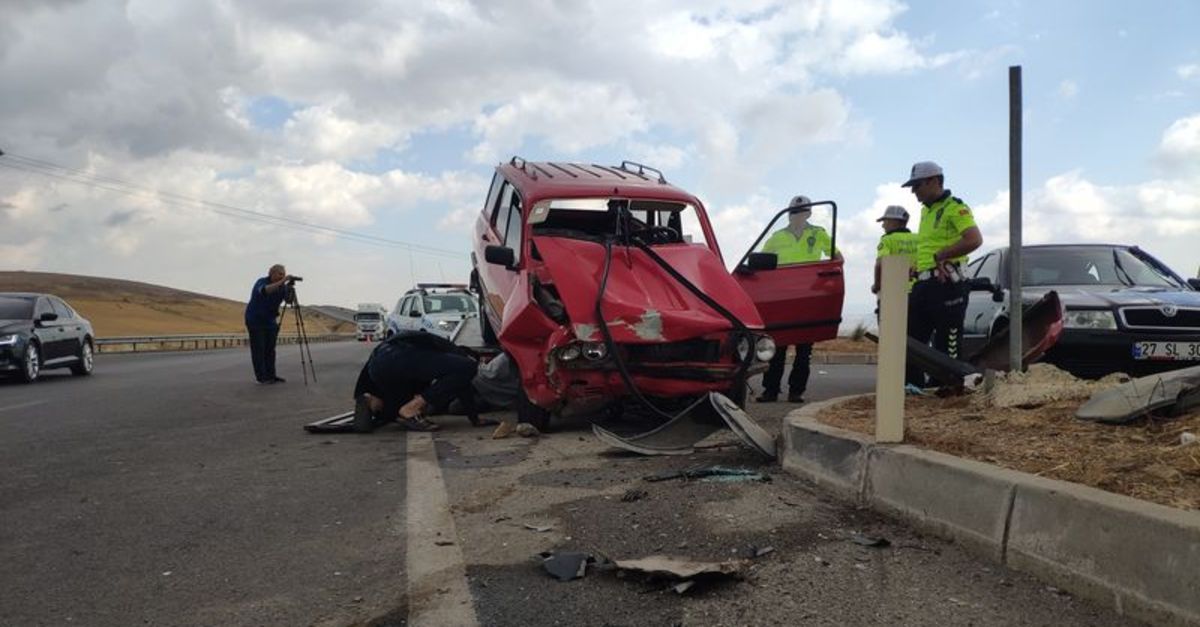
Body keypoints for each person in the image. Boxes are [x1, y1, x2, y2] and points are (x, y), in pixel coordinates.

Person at [902, 161, 983, 385]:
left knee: (946, 344)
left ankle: (945, 391)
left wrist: (943, 255)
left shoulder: (954, 207)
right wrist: (917, 265)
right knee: (912, 341)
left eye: (917, 185)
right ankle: (913, 388)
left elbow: (974, 239)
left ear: (934, 181)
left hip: (947, 285)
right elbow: (928, 245)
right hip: (923, 285)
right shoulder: (925, 212)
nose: (913, 191)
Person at [757, 195, 843, 403]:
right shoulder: (777, 237)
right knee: (777, 347)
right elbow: (760, 262)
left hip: (808, 296)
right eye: (794, 212)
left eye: (802, 212)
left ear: (809, 213)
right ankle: (770, 391)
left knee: (804, 349)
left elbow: (837, 257)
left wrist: (825, 279)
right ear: (789, 214)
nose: (797, 216)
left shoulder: (819, 234)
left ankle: (796, 391)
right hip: (782, 297)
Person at [352, 329, 479, 432]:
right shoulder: (454, 351)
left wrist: (361, 392)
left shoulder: (425, 358)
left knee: (396, 410)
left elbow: (459, 384)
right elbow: (464, 379)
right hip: (402, 357)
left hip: (379, 366)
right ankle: (411, 409)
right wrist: (474, 418)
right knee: (467, 367)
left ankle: (373, 402)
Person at [245, 264, 294, 384]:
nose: (282, 276)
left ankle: (271, 375)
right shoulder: (261, 282)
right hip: (255, 320)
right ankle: (262, 377)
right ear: (271, 273)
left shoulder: (282, 286)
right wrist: (283, 281)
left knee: (270, 349)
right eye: (280, 274)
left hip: (270, 321)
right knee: (259, 349)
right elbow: (265, 291)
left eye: (283, 274)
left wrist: (290, 290)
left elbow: (288, 301)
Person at [870, 205, 918, 295]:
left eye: (885, 221)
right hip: (919, 290)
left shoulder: (887, 240)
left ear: (895, 221)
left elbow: (880, 264)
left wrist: (877, 286)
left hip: (896, 292)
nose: (883, 225)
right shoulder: (919, 238)